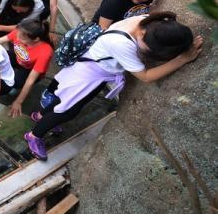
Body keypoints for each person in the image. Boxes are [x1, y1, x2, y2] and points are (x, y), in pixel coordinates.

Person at [25, 12, 202, 160]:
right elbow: (146, 76)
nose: (147, 53)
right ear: (142, 35)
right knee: (67, 110)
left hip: (92, 69)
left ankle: (40, 115)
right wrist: (182, 59)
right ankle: (34, 135)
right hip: (88, 76)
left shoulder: (150, 22)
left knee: (64, 100)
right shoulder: (122, 44)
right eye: (148, 50)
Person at [0, 19, 53, 118]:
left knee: (16, 82)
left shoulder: (45, 52)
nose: (17, 37)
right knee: (1, 57)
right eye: (18, 33)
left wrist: (18, 101)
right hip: (18, 57)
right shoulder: (21, 32)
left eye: (22, 38)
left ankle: (16, 86)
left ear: (36, 39)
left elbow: (30, 80)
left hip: (29, 69)